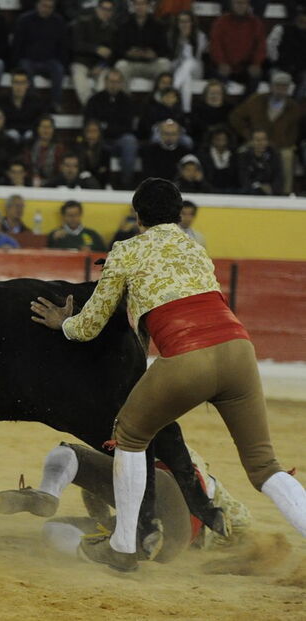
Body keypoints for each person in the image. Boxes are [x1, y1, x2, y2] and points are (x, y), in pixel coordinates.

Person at [29, 178, 306, 572]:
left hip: (188, 356)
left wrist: (64, 324)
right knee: (264, 466)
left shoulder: (127, 250)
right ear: (179, 215)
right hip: (239, 351)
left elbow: (90, 325)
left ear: (137, 216)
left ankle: (123, 546)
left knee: (129, 436)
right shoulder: (196, 248)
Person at [0, 442, 251, 561]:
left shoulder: (149, 440)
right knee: (59, 528)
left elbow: (96, 489)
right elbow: (240, 523)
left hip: (156, 497)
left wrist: (100, 518)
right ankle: (94, 553)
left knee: (74, 454)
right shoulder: (212, 487)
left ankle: (48, 491)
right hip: (172, 539)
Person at [229, 71, 302, 195]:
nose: (281, 89)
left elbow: (295, 131)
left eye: (285, 86)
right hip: (255, 140)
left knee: (287, 156)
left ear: (289, 88)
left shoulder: (294, 107)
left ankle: (284, 193)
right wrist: (248, 135)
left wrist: (285, 142)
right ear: (271, 86)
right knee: (242, 153)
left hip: (280, 145)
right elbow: (236, 117)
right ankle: (244, 189)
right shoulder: (256, 100)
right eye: (278, 86)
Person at [84, 69, 138, 189]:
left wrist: (106, 127)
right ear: (105, 82)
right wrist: (107, 129)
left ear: (121, 83)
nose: (114, 84)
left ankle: (126, 183)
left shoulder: (127, 101)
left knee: (130, 141)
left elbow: (128, 127)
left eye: (117, 82)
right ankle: (97, 183)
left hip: (120, 141)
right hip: (100, 140)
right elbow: (89, 123)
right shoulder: (94, 100)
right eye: (111, 81)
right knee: (93, 138)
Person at [12, 0, 69, 112]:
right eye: (44, 6)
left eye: (50, 7)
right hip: (29, 59)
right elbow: (17, 44)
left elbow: (63, 46)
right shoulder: (24, 20)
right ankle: (33, 102)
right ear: (37, 5)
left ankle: (56, 103)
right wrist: (14, 65)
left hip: (49, 60)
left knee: (59, 68)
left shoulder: (58, 21)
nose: (46, 9)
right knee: (25, 68)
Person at [209, 0, 266, 95]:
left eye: (243, 3)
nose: (240, 6)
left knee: (256, 75)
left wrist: (256, 63)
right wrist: (221, 62)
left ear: (248, 5)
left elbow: (261, 46)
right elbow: (215, 45)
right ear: (232, 4)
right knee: (218, 77)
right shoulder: (221, 22)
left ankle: (246, 106)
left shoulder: (256, 23)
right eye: (237, 3)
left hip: (246, 66)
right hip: (224, 65)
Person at [70, 0, 118, 108]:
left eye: (109, 10)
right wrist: (95, 49)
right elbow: (76, 45)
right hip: (81, 62)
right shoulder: (83, 22)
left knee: (104, 84)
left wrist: (101, 66)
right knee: (80, 81)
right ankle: (90, 109)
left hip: (100, 65)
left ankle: (98, 109)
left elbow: (114, 53)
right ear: (97, 9)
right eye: (104, 9)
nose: (106, 12)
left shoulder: (113, 29)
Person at [113, 0, 170, 89]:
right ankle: (123, 101)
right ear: (133, 6)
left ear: (148, 6)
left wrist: (154, 54)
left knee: (165, 65)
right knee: (120, 66)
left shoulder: (158, 25)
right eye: (137, 4)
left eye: (142, 4)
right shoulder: (124, 24)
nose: (139, 7)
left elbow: (165, 48)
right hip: (132, 63)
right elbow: (118, 48)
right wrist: (128, 53)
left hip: (151, 64)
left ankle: (158, 100)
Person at [168, 11, 206, 113]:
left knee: (189, 62)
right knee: (186, 81)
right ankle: (186, 111)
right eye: (181, 22)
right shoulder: (173, 36)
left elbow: (197, 56)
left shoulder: (200, 36)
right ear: (177, 23)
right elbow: (173, 59)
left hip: (196, 68)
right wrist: (181, 41)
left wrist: (188, 39)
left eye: (187, 22)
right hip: (178, 71)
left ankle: (173, 90)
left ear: (192, 23)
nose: (184, 25)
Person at [0, 71, 44, 145]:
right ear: (11, 84)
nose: (19, 86)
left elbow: (40, 120)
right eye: (16, 82)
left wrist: (32, 132)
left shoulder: (36, 100)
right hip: (7, 139)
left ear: (27, 84)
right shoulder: (2, 100)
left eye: (22, 83)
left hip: (30, 138)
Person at [237, 129, 283, 195]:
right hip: (250, 192)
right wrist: (258, 187)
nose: (261, 143)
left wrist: (272, 188)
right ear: (252, 142)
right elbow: (243, 178)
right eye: (258, 140)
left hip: (270, 193)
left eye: (264, 140)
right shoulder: (244, 156)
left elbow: (278, 177)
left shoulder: (274, 155)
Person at [23, 115, 66, 185]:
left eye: (49, 127)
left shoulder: (60, 148)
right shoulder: (29, 146)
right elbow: (26, 165)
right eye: (43, 127)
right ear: (38, 129)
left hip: (53, 183)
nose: (46, 130)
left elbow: (60, 170)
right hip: (31, 182)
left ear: (53, 129)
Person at [198, 125, 240, 193]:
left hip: (232, 191)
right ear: (212, 139)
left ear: (228, 140)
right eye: (218, 139)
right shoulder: (204, 155)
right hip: (209, 190)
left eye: (223, 139)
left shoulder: (235, 156)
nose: (220, 142)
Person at [73, 119, 111, 188]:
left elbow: (105, 173)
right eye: (89, 131)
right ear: (84, 133)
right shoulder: (77, 149)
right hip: (81, 184)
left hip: (100, 186)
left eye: (94, 131)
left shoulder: (105, 151)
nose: (91, 134)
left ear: (99, 133)